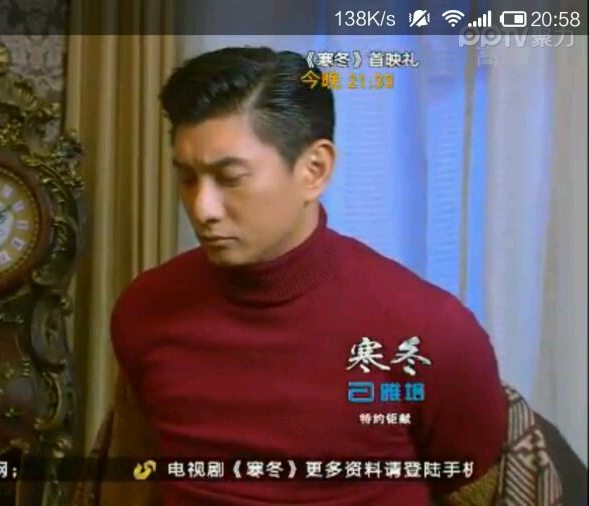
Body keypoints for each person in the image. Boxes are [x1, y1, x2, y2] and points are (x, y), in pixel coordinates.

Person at [72, 47, 559, 506]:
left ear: (314, 169)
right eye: (187, 177)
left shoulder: (431, 332)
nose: (203, 208)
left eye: (230, 178)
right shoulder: (147, 309)